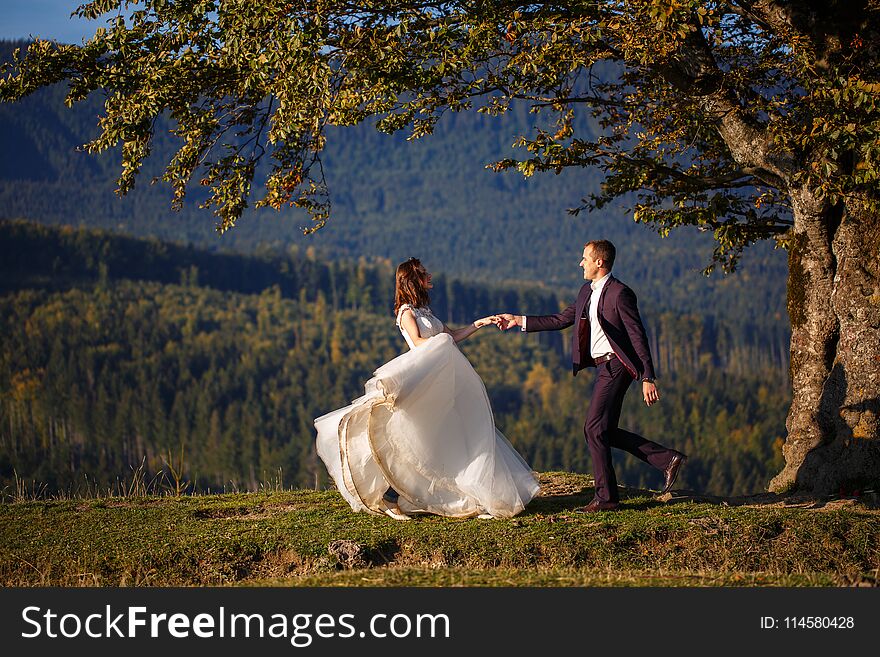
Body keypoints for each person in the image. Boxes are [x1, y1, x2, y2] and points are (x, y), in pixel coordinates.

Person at [314, 257, 539, 521]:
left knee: (452, 431)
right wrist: (442, 340)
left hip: (441, 375)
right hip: (421, 376)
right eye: (424, 274)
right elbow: (420, 343)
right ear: (412, 280)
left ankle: (469, 492)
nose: (429, 276)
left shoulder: (425, 312)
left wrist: (480, 323)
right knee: (406, 432)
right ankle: (391, 492)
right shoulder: (406, 313)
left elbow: (452, 335)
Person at [497, 240, 686, 512]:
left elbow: (637, 335)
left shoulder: (620, 293)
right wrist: (518, 320)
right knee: (603, 430)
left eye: (585, 258)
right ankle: (667, 459)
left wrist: (647, 376)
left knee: (593, 428)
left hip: (617, 366)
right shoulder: (586, 291)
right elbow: (561, 319)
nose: (580, 263)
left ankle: (606, 499)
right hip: (603, 367)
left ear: (600, 262)